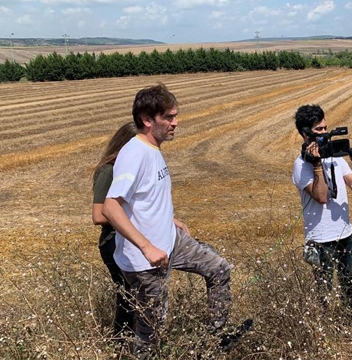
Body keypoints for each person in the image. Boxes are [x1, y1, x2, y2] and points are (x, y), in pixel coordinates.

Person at [102, 84, 248, 356]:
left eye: (175, 116)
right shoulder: (134, 154)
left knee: (219, 269)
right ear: (147, 119)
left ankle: (214, 342)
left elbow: (145, 198)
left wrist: (171, 219)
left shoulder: (152, 149)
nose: (175, 123)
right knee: (151, 328)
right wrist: (147, 247)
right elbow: (111, 207)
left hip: (170, 240)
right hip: (144, 259)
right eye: (168, 117)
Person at [291, 104, 352, 307]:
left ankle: (349, 318)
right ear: (305, 133)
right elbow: (322, 197)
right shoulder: (301, 166)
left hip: (345, 233)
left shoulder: (335, 157)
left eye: (325, 128)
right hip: (320, 237)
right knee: (323, 289)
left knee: (349, 283)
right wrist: (317, 165)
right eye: (319, 130)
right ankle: (324, 325)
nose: (324, 133)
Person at [92, 122, 138, 341]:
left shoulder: (126, 171)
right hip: (113, 242)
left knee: (133, 297)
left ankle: (125, 344)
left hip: (126, 240)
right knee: (128, 297)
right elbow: (99, 216)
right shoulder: (108, 171)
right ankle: (121, 344)